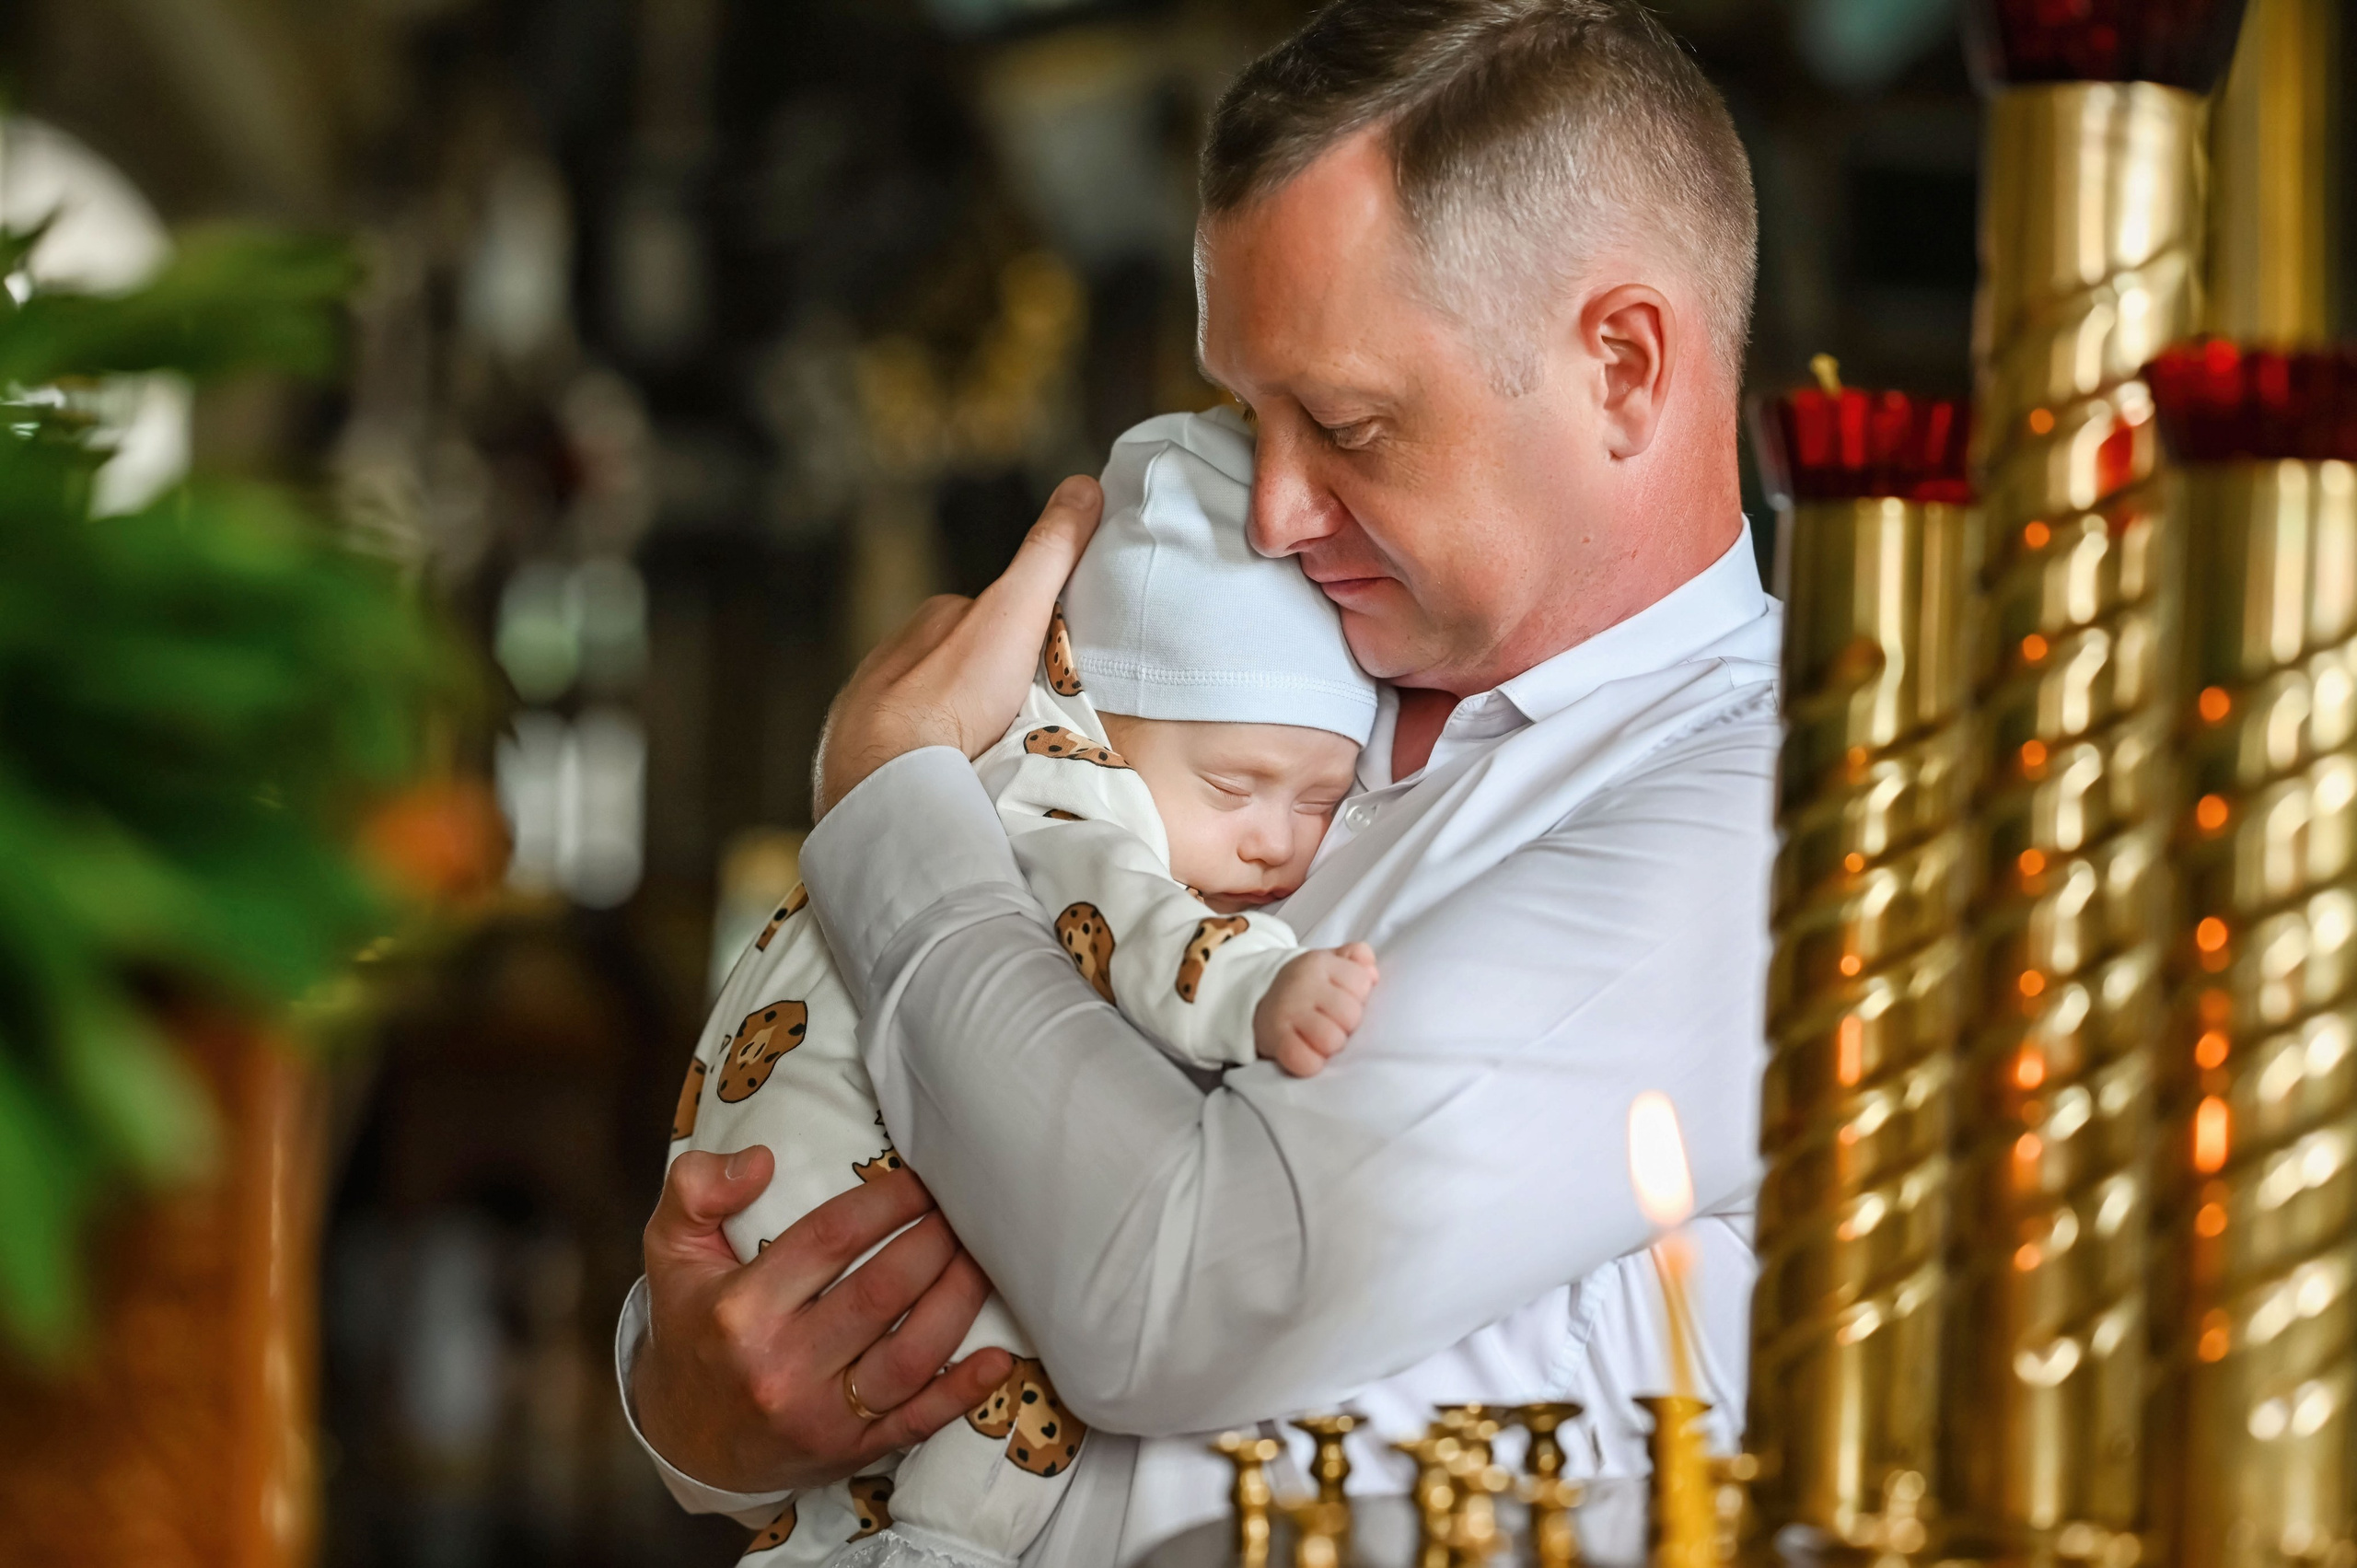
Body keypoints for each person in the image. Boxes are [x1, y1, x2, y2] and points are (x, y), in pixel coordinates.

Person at [620, 2, 1776, 1562]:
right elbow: (859, 1115)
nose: (1279, 506)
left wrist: (895, 806)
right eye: (1252, 412)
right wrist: (691, 1397)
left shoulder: (1768, 806)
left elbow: (1169, 1290)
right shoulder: (1243, 623)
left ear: (1625, 366)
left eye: (1351, 422)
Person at [668, 408, 1383, 1565]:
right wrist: (1261, 987)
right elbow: (1135, 924)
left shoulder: (1003, 768)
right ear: (1097, 710)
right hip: (838, 1205)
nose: (1271, 844)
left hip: (792, 1223)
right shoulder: (1059, 790)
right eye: (1236, 784)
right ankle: (942, 1543)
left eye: (1317, 802)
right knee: (1044, 1307)